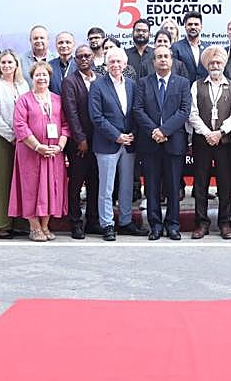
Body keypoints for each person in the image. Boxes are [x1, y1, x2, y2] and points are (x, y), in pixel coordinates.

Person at [133, 46, 191, 240]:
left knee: (174, 186)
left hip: (173, 142)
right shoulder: (143, 83)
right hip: (150, 144)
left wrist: (164, 131)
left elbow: (184, 111)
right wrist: (154, 131)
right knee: (151, 187)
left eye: (166, 56)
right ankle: (155, 225)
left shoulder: (182, 83)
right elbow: (138, 110)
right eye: (159, 57)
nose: (163, 60)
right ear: (153, 61)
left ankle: (173, 225)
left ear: (172, 60)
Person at [10, 63, 69, 241]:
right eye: (38, 75)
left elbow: (66, 126)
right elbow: (20, 126)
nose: (41, 78)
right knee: (31, 189)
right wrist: (37, 146)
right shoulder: (24, 100)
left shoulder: (58, 100)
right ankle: (34, 227)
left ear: (50, 78)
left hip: (53, 154)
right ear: (32, 77)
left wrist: (59, 146)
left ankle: (45, 226)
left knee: (51, 188)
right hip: (31, 153)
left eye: (45, 75)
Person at [187, 46, 231, 239]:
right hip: (202, 142)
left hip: (224, 142)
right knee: (200, 184)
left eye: (218, 62)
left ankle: (225, 223)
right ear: (207, 65)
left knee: (225, 184)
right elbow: (192, 114)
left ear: (224, 64)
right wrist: (208, 133)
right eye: (212, 63)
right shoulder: (197, 85)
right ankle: (201, 224)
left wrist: (220, 132)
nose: (215, 65)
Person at [88, 47, 140, 240]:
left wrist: (132, 134)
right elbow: (96, 116)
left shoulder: (132, 85)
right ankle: (107, 224)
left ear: (125, 64)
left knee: (126, 186)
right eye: (112, 62)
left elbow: (137, 112)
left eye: (119, 62)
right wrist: (117, 135)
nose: (116, 65)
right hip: (107, 144)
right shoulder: (97, 85)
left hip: (129, 143)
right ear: (106, 64)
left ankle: (125, 221)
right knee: (107, 187)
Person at [0, 50, 29, 239]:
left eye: (10, 62)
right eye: (3, 62)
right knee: (1, 182)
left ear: (16, 65)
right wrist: (11, 136)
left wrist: (24, 135)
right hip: (1, 139)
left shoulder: (23, 85)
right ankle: (1, 224)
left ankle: (19, 221)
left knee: (20, 181)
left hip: (23, 139)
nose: (6, 66)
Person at [60, 44, 100, 239]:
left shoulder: (100, 79)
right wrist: (80, 139)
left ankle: (92, 221)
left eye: (87, 56)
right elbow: (71, 112)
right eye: (80, 57)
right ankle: (75, 222)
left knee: (95, 183)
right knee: (76, 183)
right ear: (75, 60)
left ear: (93, 57)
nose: (84, 59)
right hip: (79, 144)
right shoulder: (70, 81)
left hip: (100, 142)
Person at [171, 12, 208, 82]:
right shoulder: (176, 47)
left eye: (196, 24)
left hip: (203, 90)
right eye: (190, 24)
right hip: (183, 90)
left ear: (201, 27)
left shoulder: (207, 48)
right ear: (185, 26)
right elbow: (174, 72)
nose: (193, 27)